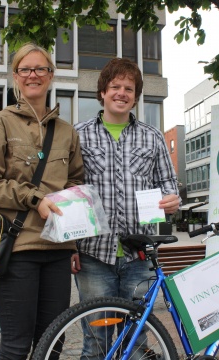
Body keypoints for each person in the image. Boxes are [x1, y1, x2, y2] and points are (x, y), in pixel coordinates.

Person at [0, 42, 84, 360]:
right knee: (17, 346)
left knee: (53, 343)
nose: (33, 75)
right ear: (15, 76)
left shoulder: (66, 132)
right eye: (25, 69)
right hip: (16, 249)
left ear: (50, 75)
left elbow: (74, 184)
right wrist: (34, 198)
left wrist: (73, 243)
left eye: (40, 69)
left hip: (58, 252)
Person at [73, 58, 180, 358]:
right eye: (115, 87)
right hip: (93, 255)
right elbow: (69, 192)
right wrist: (70, 247)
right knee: (97, 341)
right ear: (103, 92)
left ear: (136, 95)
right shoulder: (78, 135)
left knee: (138, 339)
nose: (122, 93)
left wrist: (173, 201)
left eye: (129, 88)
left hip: (140, 255)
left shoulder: (153, 136)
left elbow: (169, 185)